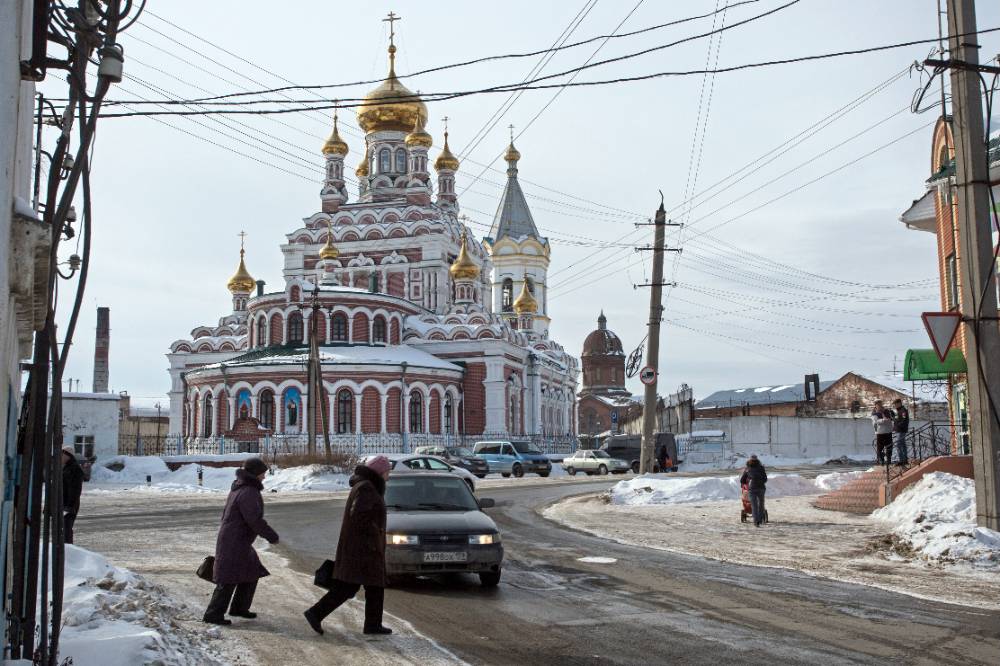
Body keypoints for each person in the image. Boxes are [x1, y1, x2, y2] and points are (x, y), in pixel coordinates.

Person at [304, 455, 392, 636]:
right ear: (380, 472)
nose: (388, 475)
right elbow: (359, 516)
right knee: (352, 587)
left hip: (362, 548)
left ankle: (373, 625)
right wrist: (374, 532)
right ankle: (315, 613)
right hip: (363, 549)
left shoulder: (367, 486)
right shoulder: (367, 488)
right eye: (387, 471)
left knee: (371, 586)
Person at [203, 457, 279, 626]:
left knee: (251, 571)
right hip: (234, 540)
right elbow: (255, 520)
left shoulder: (241, 487)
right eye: (262, 474)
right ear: (255, 474)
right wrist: (272, 536)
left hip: (238, 539)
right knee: (228, 577)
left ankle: (239, 607)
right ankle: (213, 614)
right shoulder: (248, 492)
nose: (264, 477)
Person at [61, 447, 84, 544]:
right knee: (61, 528)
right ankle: (63, 548)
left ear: (68, 456)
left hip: (69, 505)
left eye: (62, 454)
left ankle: (67, 549)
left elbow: (75, 490)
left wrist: (69, 506)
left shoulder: (74, 469)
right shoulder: (65, 467)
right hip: (63, 503)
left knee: (66, 528)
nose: (60, 457)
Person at [739, 455, 767, 527]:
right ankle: (760, 520)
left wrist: (747, 481)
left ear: (749, 461)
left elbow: (742, 480)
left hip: (752, 488)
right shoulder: (761, 468)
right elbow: (765, 479)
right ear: (757, 461)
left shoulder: (748, 469)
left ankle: (756, 521)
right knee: (761, 504)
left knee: (754, 505)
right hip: (761, 488)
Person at [871, 400, 895, 465]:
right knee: (880, 448)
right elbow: (876, 421)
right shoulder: (874, 413)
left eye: (880, 404)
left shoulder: (887, 411)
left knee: (889, 447)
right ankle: (881, 460)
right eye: (878, 404)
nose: (880, 406)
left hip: (888, 431)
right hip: (880, 432)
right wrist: (884, 420)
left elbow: (891, 419)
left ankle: (889, 460)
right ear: (875, 405)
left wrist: (889, 419)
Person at [892, 398, 910, 466]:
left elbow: (904, 420)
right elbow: (897, 420)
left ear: (899, 403)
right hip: (898, 430)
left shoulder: (903, 411)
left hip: (901, 430)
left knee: (898, 445)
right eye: (894, 404)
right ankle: (904, 460)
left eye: (896, 404)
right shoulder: (898, 411)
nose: (895, 405)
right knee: (902, 444)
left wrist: (898, 425)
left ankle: (901, 460)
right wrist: (893, 417)